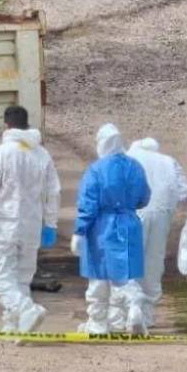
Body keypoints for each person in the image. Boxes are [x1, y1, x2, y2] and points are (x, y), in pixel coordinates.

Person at [0, 105, 60, 333]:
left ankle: (25, 310)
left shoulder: (0, 153)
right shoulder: (41, 154)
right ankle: (17, 326)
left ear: (6, 125)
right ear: (27, 124)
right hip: (31, 225)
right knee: (21, 277)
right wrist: (50, 224)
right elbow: (53, 192)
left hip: (3, 225)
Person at [71, 124, 151, 335]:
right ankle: (134, 305)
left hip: (102, 226)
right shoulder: (135, 166)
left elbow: (88, 204)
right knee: (125, 272)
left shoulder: (96, 170)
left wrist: (79, 231)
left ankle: (97, 323)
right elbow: (144, 198)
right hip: (130, 223)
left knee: (99, 275)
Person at [126, 137, 187, 332]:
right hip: (161, 213)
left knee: (129, 259)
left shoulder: (127, 158)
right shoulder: (168, 161)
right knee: (153, 261)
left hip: (134, 212)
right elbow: (183, 191)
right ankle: (148, 314)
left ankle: (131, 306)